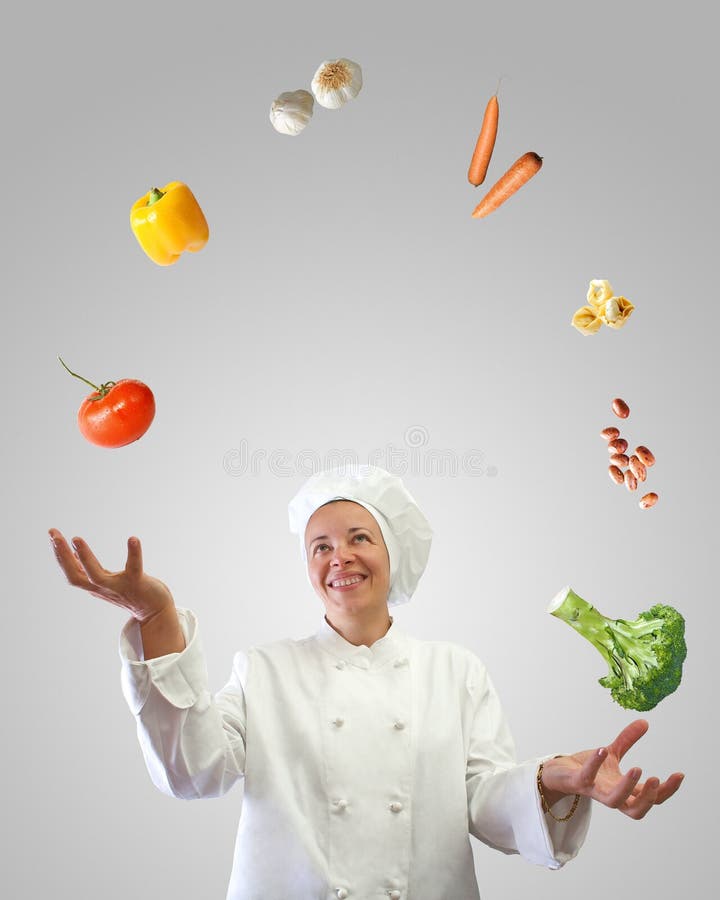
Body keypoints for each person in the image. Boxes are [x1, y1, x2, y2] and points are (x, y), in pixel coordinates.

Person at [49, 465, 684, 900]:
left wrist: (552, 779)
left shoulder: (455, 670)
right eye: (320, 545)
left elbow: (484, 806)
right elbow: (192, 771)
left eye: (359, 538)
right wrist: (157, 620)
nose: (339, 557)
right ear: (307, 565)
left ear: (393, 556)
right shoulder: (264, 669)